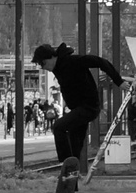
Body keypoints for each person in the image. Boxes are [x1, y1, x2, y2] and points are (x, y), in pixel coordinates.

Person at [31, 42, 125, 183]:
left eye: (43, 63)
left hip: (89, 107)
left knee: (58, 127)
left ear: (51, 57)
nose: (44, 68)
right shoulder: (57, 68)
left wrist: (119, 81)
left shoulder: (73, 61)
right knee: (75, 147)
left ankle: (66, 168)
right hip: (78, 109)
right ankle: (71, 185)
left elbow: (101, 62)